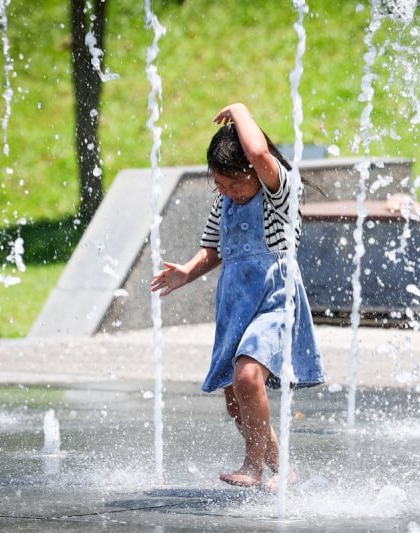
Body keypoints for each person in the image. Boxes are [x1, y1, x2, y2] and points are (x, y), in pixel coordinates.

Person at [150, 103, 326, 490]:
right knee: (237, 400)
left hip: (275, 300)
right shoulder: (223, 204)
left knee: (247, 378)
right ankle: (283, 469)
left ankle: (254, 466)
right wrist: (186, 271)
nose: (229, 192)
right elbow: (213, 249)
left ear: (254, 174)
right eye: (221, 185)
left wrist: (241, 110)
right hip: (235, 305)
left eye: (235, 184)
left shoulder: (279, 195)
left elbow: (260, 153)